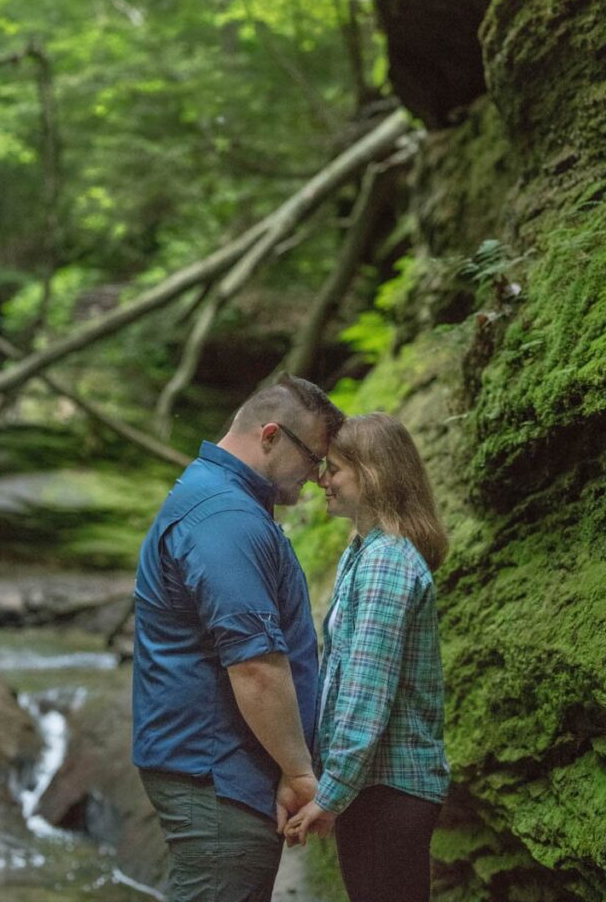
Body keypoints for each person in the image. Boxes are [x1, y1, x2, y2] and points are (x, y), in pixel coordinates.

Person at [132, 374, 343, 902]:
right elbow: (255, 666)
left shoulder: (225, 501)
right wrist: (299, 773)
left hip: (223, 768)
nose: (318, 477)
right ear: (270, 435)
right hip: (215, 774)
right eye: (314, 458)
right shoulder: (224, 517)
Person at [285, 412, 450, 902]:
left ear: (372, 474)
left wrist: (331, 791)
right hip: (376, 789)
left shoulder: (386, 562)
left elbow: (366, 689)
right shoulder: (364, 551)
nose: (321, 479)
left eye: (333, 468)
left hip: (391, 790)